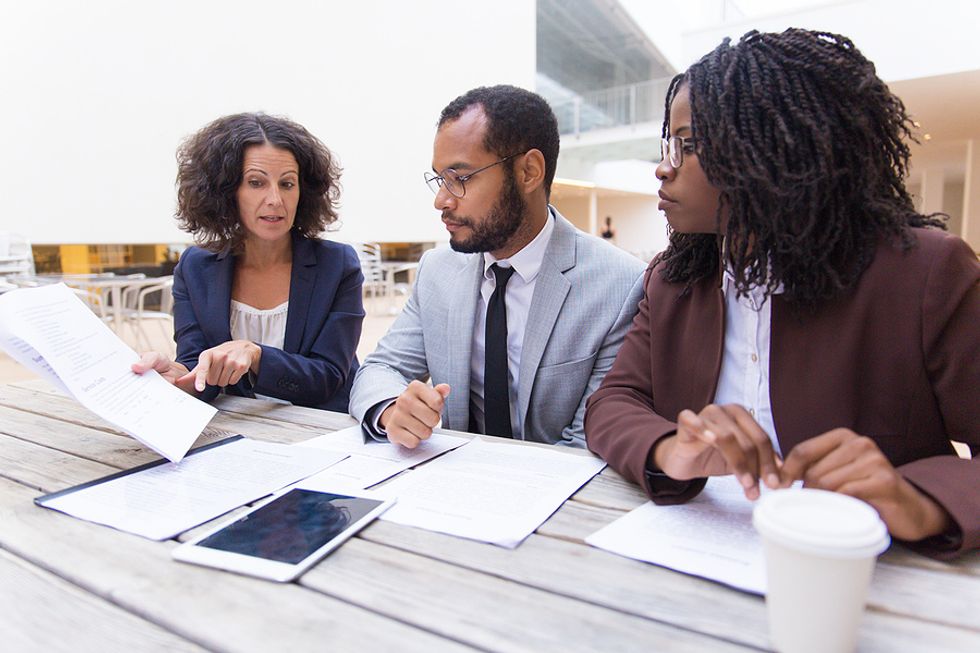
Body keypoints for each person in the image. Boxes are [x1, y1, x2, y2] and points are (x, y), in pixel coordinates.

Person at [585, 29, 979, 558]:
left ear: (771, 147)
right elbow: (613, 402)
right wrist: (670, 449)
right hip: (695, 554)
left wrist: (918, 499)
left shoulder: (926, 273)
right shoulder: (672, 280)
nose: (664, 167)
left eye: (688, 145)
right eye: (667, 145)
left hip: (870, 578)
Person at [350, 85, 645, 448]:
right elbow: (379, 369)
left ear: (529, 172)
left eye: (460, 178)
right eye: (440, 180)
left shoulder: (619, 285)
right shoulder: (438, 271)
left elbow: (592, 439)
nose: (441, 200)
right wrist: (392, 409)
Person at [133, 113, 364, 412]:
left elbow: (329, 377)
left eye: (287, 184)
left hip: (321, 431)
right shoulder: (195, 267)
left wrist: (256, 356)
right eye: (256, 183)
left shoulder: (337, 264)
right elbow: (196, 364)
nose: (275, 199)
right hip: (238, 432)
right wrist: (176, 377)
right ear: (227, 192)